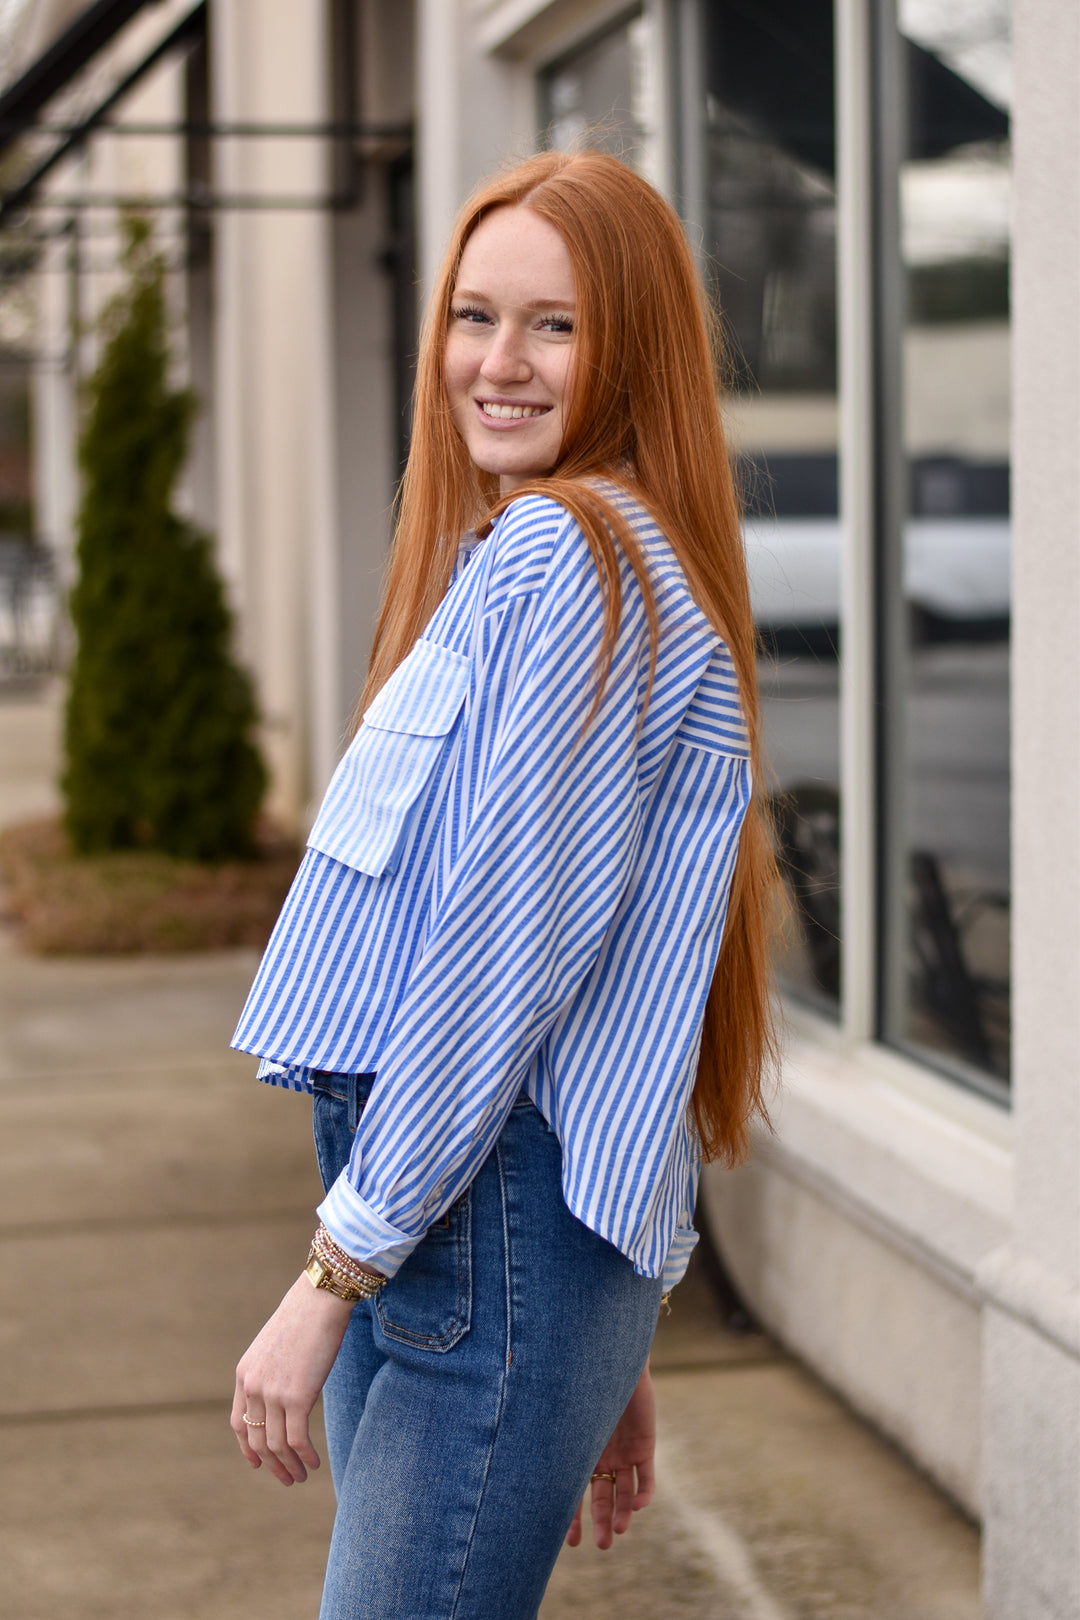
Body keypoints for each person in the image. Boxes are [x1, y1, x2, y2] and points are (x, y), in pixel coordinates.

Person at [229, 147, 777, 1620]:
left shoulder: (569, 559)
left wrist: (324, 1285)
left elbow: (504, 963)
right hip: (490, 1243)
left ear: (635, 349)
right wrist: (605, 1343)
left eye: (557, 323)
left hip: (471, 1235)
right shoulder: (572, 556)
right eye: (474, 315)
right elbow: (596, 981)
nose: (498, 362)